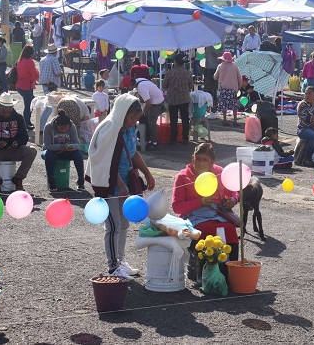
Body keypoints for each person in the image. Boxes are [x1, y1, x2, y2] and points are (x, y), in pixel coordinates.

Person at [85, 94, 155, 279]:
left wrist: (147, 173)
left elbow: (133, 153)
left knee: (123, 224)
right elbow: (104, 161)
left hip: (125, 185)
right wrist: (121, 185)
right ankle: (113, 266)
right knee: (113, 226)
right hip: (109, 186)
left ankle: (120, 260)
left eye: (136, 119)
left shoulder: (129, 129)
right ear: (122, 113)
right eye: (131, 118)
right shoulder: (110, 128)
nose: (133, 122)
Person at [171, 143, 239, 283]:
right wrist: (200, 202)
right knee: (206, 230)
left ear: (212, 162)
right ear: (193, 158)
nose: (201, 163)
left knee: (229, 229)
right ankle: (202, 274)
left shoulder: (219, 172)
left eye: (205, 160)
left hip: (217, 212)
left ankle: (231, 272)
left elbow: (233, 191)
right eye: (198, 159)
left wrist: (233, 199)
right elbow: (177, 207)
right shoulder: (183, 177)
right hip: (192, 215)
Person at [0, 93, 37, 192]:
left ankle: (18, 178)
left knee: (32, 151)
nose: (6, 114)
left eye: (8, 112)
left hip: (14, 150)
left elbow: (24, 137)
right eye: (3, 112)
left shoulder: (18, 118)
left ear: (12, 108)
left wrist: (17, 143)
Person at [43, 110, 84, 191]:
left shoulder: (72, 126)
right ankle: (51, 181)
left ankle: (81, 180)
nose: (64, 130)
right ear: (56, 125)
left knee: (78, 154)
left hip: (67, 151)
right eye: (61, 128)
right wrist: (60, 147)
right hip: (52, 151)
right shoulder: (48, 127)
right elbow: (47, 145)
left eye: (66, 128)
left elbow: (77, 143)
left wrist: (73, 147)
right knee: (49, 156)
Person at [162, 53, 194, 144]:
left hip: (172, 98)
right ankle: (185, 137)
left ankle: (173, 138)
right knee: (185, 118)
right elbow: (191, 86)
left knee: (173, 119)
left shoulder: (169, 73)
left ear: (175, 62)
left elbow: (164, 85)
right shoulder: (188, 73)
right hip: (184, 98)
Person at [133, 67, 165, 150]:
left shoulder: (141, 87)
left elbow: (148, 102)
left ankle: (155, 142)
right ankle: (147, 138)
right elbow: (143, 100)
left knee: (151, 121)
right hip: (155, 99)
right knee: (146, 119)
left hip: (156, 102)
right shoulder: (140, 81)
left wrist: (143, 111)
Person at [214, 52, 243, 127]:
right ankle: (235, 121)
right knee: (234, 106)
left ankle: (224, 120)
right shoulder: (235, 67)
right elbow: (240, 78)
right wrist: (239, 87)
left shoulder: (220, 66)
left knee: (224, 105)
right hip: (233, 89)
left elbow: (215, 77)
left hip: (223, 88)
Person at [15, 45, 39, 130]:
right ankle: (25, 123)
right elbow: (35, 74)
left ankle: (27, 121)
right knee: (29, 105)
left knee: (30, 103)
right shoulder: (29, 61)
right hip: (26, 85)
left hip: (20, 85)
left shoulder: (20, 60)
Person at [204, 44, 224, 109]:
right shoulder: (208, 43)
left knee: (214, 88)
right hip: (209, 68)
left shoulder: (216, 42)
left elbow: (220, 54)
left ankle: (214, 106)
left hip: (214, 68)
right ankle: (210, 106)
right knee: (210, 89)